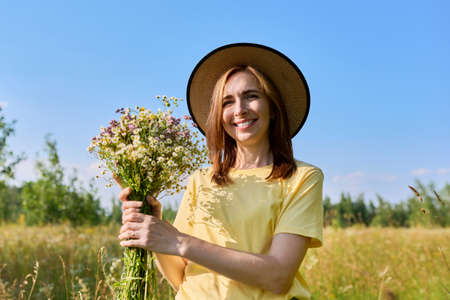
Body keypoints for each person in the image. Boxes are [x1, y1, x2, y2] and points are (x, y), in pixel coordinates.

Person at [117, 43, 324, 300]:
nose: (239, 110)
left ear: (273, 108)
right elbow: (180, 279)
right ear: (219, 115)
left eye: (251, 96)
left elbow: (278, 276)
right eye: (228, 102)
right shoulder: (201, 180)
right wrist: (157, 228)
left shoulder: (302, 178)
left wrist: (179, 241)